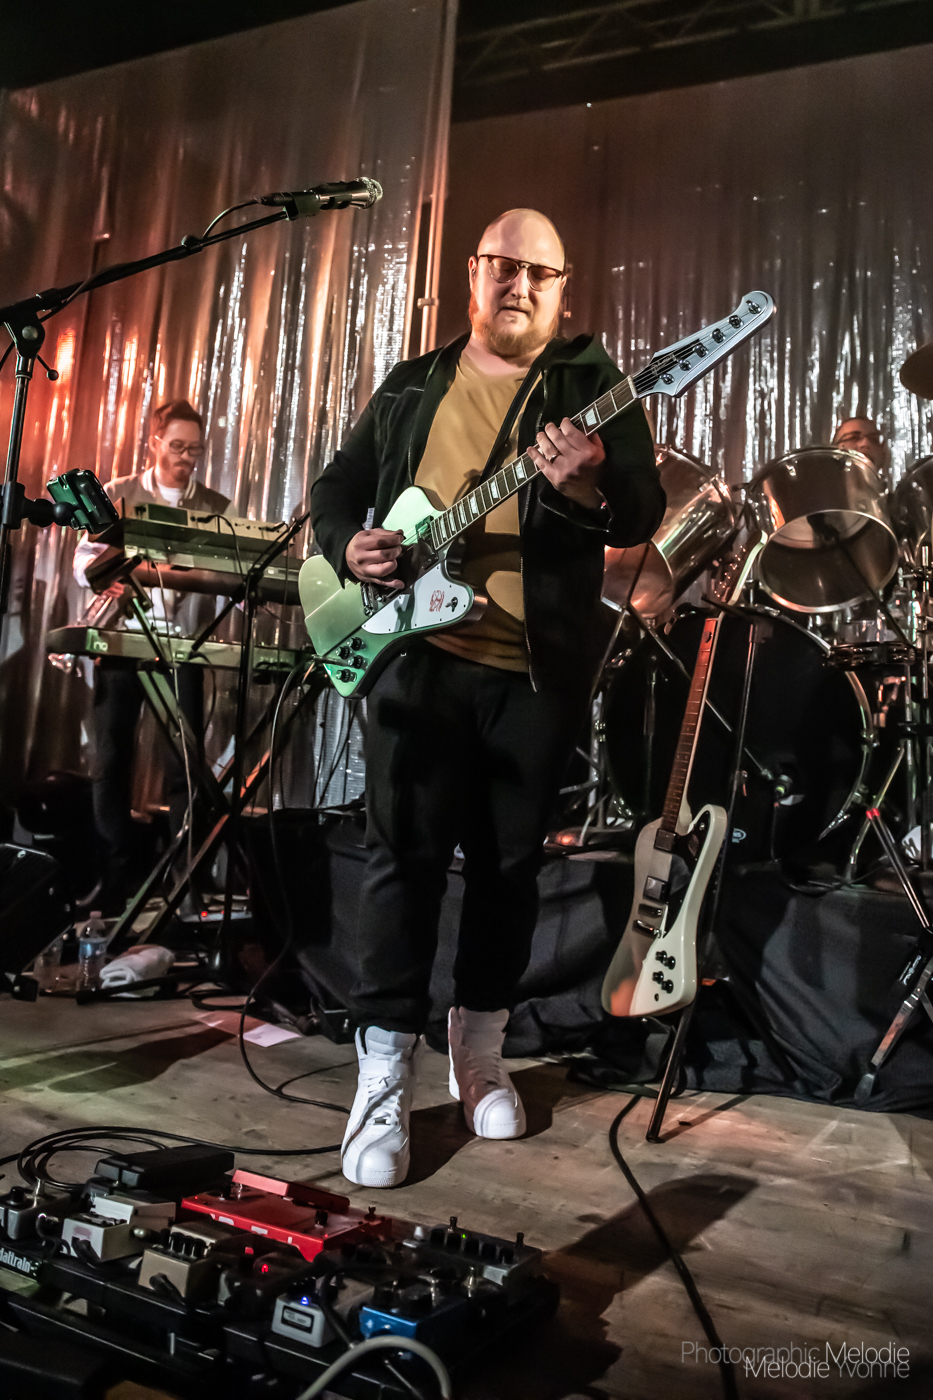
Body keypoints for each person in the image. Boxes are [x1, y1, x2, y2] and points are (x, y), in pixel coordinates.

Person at [310, 208, 664, 1188]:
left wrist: (587, 486)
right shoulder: (414, 382)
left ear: (562, 289)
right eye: (503, 266)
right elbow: (335, 488)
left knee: (508, 868)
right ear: (473, 274)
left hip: (533, 671)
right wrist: (346, 544)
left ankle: (479, 1052)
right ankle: (383, 1071)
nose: (518, 284)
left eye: (538, 273)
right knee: (402, 862)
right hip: (416, 661)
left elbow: (640, 507)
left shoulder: (589, 385)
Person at [73, 400, 230, 915]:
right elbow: (84, 561)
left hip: (183, 648)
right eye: (177, 446)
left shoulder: (216, 506)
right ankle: (115, 878)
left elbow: (231, 574)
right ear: (154, 443)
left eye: (195, 450)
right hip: (123, 642)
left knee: (185, 765)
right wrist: (108, 574)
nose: (186, 457)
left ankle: (185, 885)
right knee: (109, 760)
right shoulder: (117, 493)